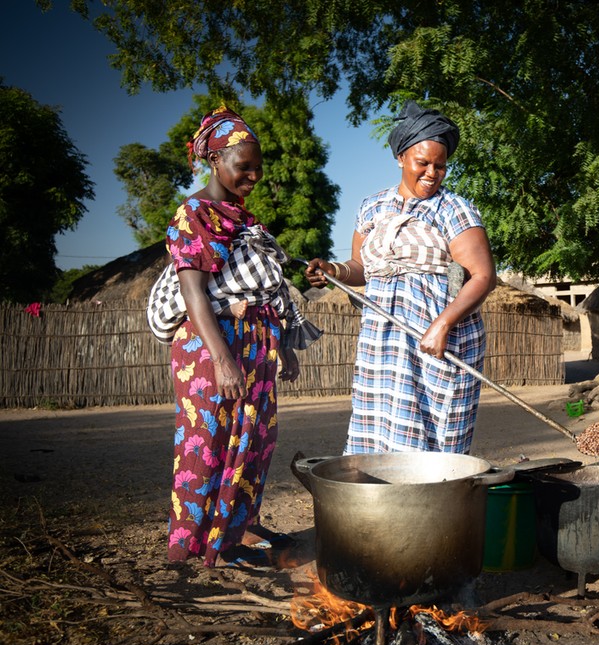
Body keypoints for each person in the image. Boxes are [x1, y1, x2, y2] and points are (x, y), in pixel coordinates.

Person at [154, 106, 319, 571]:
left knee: (253, 442)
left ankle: (231, 540)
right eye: (242, 166)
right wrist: (222, 359)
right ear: (214, 160)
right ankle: (188, 549)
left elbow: (269, 290)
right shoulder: (194, 215)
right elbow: (193, 294)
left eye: (257, 169)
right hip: (212, 347)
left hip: (257, 344)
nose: (252, 176)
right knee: (206, 443)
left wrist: (283, 344)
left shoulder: (246, 222)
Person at [305, 100, 496, 454]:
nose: (432, 173)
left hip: (440, 339)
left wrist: (442, 324)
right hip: (384, 339)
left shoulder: (454, 209)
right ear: (401, 158)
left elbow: (483, 276)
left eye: (441, 166)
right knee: (379, 439)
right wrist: (334, 271)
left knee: (437, 446)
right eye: (423, 163)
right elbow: (361, 267)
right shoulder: (372, 206)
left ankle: (436, 507)